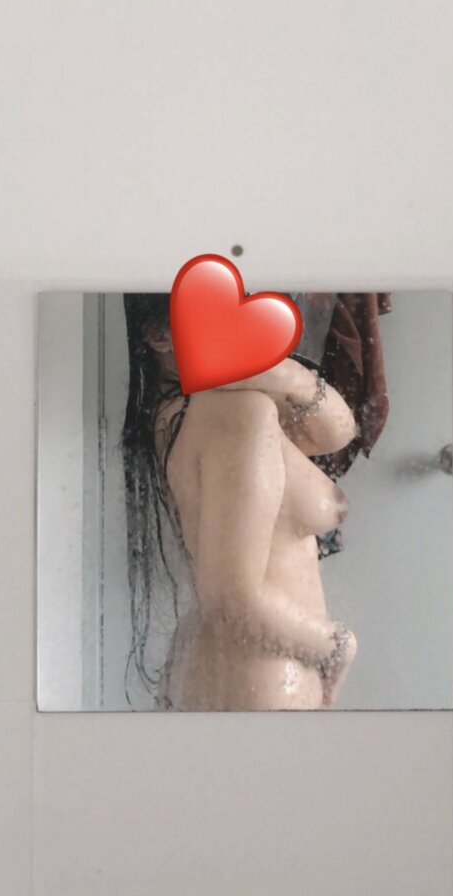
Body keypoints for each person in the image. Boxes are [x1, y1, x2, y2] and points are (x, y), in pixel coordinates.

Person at [122, 293, 358, 711]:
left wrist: (287, 376)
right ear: (160, 336)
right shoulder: (237, 414)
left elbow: (336, 432)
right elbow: (232, 600)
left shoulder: (190, 412)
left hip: (244, 668)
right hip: (261, 674)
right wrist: (335, 646)